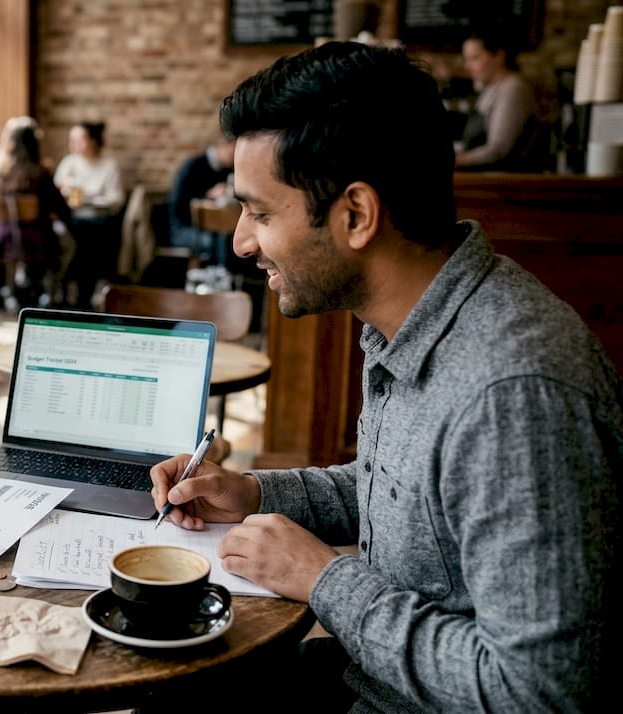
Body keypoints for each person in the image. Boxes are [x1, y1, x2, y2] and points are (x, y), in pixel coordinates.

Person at [150, 42, 619, 711]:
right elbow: (406, 494)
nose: (241, 242)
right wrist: (253, 492)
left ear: (356, 215)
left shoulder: (515, 395)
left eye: (257, 212)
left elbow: (539, 693)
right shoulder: (415, 319)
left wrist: (323, 580)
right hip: (365, 675)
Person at [0, 116, 72, 309]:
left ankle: (11, 289)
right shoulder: (40, 173)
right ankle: (50, 293)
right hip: (36, 237)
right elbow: (58, 207)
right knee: (68, 243)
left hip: (0, 237)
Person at [53, 121, 124, 308]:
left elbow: (117, 199)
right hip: (73, 220)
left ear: (92, 141)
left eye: (79, 140)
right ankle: (79, 293)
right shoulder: (69, 163)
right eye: (71, 140)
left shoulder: (108, 165)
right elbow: (57, 191)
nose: (73, 144)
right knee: (78, 236)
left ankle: (77, 291)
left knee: (91, 236)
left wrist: (91, 200)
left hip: (99, 220)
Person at [455, 24, 543, 172]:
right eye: (466, 59)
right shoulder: (489, 89)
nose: (467, 67)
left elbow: (498, 149)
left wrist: (453, 161)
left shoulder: (513, 88)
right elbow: (471, 144)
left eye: (475, 58)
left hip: (505, 186)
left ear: (499, 56)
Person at [167, 137, 234, 265]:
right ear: (222, 145)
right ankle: (219, 279)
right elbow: (178, 205)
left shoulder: (228, 171)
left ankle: (229, 279)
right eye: (233, 151)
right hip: (182, 229)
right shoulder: (193, 165)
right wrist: (208, 196)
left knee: (227, 237)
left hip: (215, 228)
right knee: (218, 241)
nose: (234, 156)